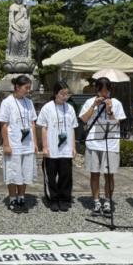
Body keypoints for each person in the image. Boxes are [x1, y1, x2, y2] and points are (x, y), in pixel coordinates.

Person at [79, 77, 126, 217]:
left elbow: (117, 123)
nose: (104, 94)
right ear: (97, 90)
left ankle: (107, 201)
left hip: (110, 144)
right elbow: (83, 119)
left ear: (110, 90)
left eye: (106, 91)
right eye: (101, 91)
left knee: (109, 174)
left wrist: (109, 110)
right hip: (93, 143)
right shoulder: (90, 102)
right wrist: (94, 105)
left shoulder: (116, 103)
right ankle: (96, 201)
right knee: (94, 173)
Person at [0, 75, 38, 213]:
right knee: (13, 171)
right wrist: (6, 144)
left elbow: (32, 123)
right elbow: (3, 124)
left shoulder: (29, 102)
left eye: (29, 88)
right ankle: (12, 198)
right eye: (26, 88)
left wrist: (35, 142)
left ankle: (21, 197)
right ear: (17, 87)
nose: (28, 90)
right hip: (14, 142)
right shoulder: (7, 102)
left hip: (27, 143)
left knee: (25, 171)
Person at [37, 81, 78, 212]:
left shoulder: (70, 108)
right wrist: (45, 147)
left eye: (67, 94)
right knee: (51, 175)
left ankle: (64, 199)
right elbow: (43, 128)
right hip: (52, 148)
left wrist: (73, 147)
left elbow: (72, 128)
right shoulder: (47, 108)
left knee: (66, 175)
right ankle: (53, 199)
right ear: (55, 93)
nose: (65, 97)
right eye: (62, 94)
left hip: (66, 148)